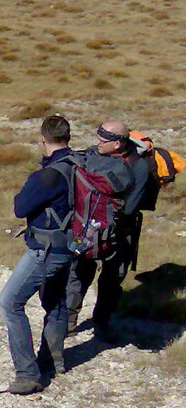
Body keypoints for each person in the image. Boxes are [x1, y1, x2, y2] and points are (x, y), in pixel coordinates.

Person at [0, 115, 76, 394]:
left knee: (9, 303)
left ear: (42, 138)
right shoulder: (77, 165)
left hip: (46, 249)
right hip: (70, 245)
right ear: (68, 136)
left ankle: (27, 373)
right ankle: (53, 361)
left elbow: (20, 208)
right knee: (55, 303)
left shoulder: (48, 174)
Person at [64, 120, 150, 342]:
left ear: (119, 144)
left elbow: (131, 207)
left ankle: (100, 323)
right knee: (79, 276)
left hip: (119, 231)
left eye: (103, 141)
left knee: (110, 281)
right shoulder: (95, 154)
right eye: (98, 139)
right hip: (90, 227)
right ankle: (70, 321)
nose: (97, 143)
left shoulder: (139, 167)